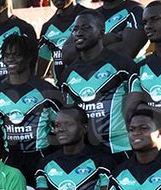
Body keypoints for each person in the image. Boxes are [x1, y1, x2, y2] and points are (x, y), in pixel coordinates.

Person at [59, 10, 138, 162]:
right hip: (87, 155)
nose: (79, 33)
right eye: (75, 29)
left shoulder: (123, 65)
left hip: (121, 150)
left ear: (102, 32)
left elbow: (137, 108)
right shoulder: (68, 74)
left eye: (86, 28)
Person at [0, 34, 62, 185]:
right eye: (7, 55)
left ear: (29, 57)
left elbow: (63, 128)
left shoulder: (47, 91)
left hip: (41, 159)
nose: (10, 59)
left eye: (16, 54)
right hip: (10, 161)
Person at [37, 0, 87, 81]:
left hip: (88, 87)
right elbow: (40, 72)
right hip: (61, 89)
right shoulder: (47, 27)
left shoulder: (89, 18)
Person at [130, 0, 161, 110]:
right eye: (145, 22)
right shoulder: (139, 67)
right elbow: (133, 110)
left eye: (155, 19)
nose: (148, 26)